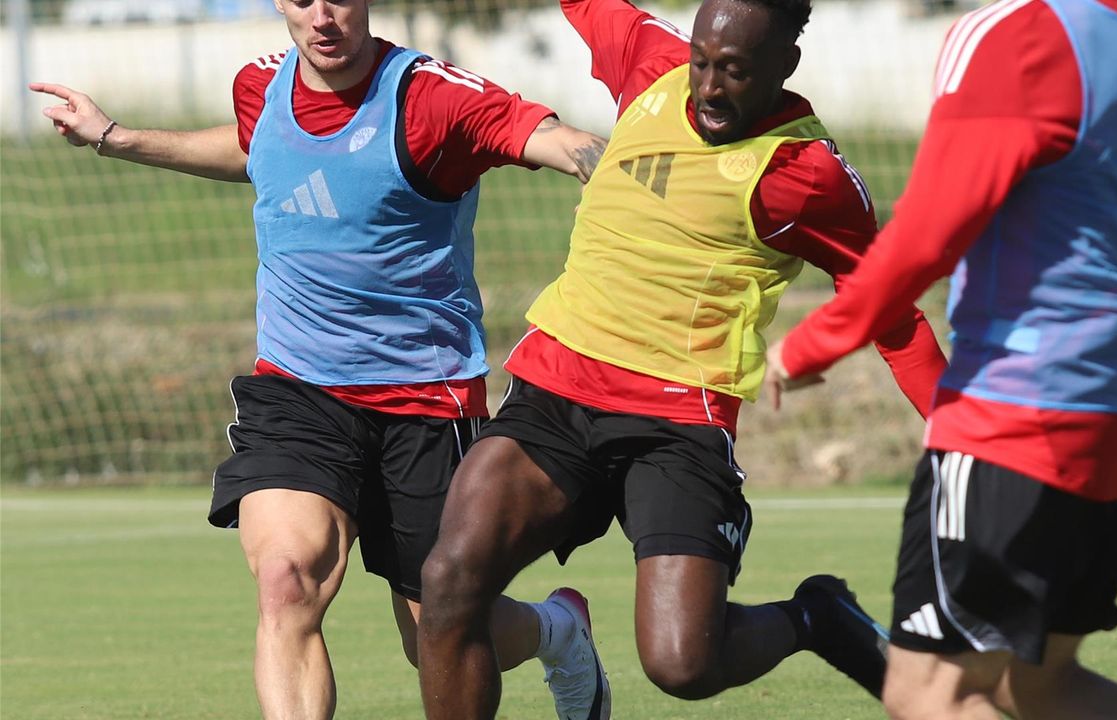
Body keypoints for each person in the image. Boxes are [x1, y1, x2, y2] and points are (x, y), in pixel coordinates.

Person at [31, 1, 616, 718]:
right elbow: (258, 150)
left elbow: (560, 141)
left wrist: (631, 191)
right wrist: (116, 138)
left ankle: (558, 630)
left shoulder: (431, 98)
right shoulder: (259, 83)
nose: (323, 16)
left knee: (438, 633)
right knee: (285, 582)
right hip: (299, 391)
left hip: (424, 400)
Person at [415, 0, 949, 716]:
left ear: (785, 65)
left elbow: (893, 312)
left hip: (676, 424)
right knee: (450, 582)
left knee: (682, 663)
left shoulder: (804, 173)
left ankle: (814, 617)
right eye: (701, 62)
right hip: (556, 394)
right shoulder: (650, 62)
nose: (709, 86)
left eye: (734, 70)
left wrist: (959, 434)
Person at [765, 0, 1117, 717]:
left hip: (1017, 410)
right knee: (1038, 685)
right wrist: (1098, 281)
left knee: (928, 689)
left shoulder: (1012, 37)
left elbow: (929, 231)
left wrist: (817, 342)